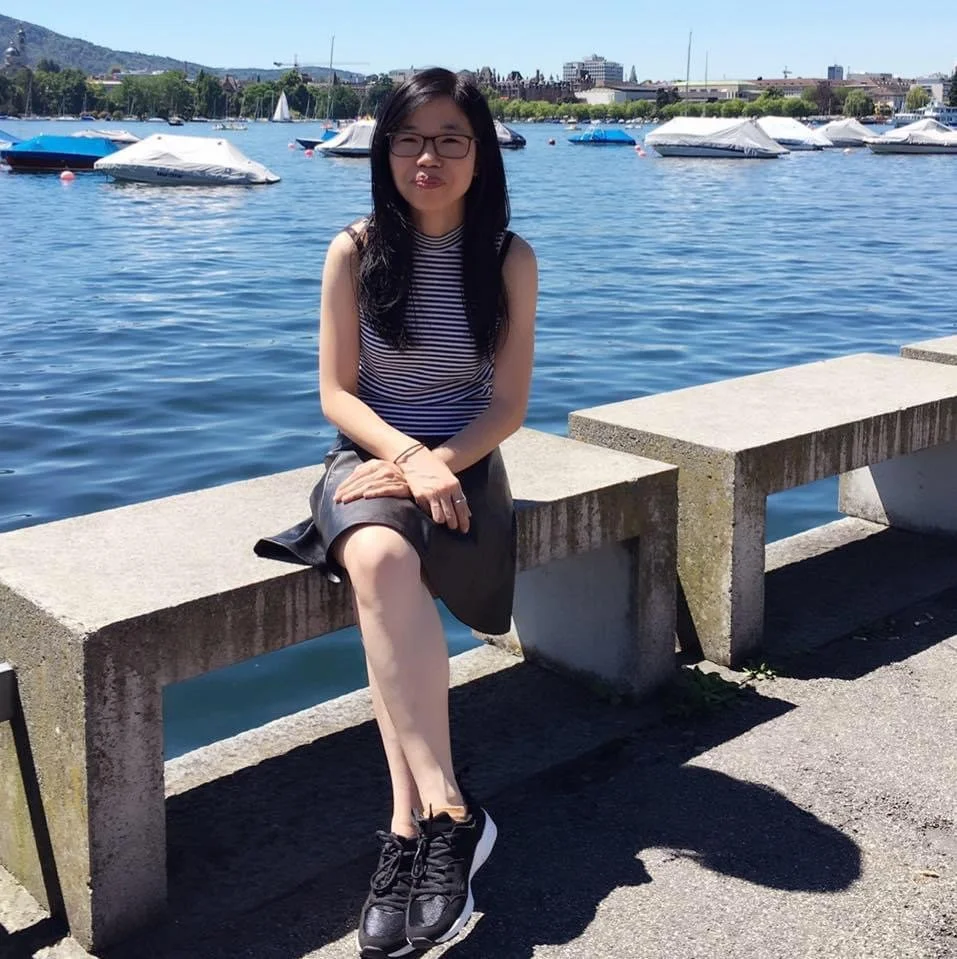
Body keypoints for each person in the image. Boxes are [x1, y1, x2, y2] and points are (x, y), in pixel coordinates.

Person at [255, 66, 537, 958]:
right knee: (377, 561)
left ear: (480, 153)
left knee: (383, 583)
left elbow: (507, 407)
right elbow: (336, 393)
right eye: (410, 139)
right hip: (372, 455)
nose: (430, 156)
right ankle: (451, 810)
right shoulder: (354, 249)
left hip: (465, 461)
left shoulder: (507, 258)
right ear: (384, 152)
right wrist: (404, 458)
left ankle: (406, 829)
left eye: (451, 139)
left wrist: (439, 463)